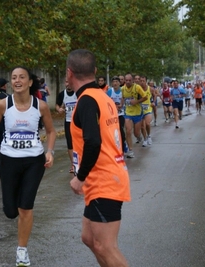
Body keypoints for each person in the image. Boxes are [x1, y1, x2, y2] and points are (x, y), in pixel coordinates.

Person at [0, 66, 56, 266]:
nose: (17, 81)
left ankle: (22, 251)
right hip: (9, 160)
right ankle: (14, 206)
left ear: (30, 82)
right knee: (10, 211)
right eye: (14, 78)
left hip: (34, 160)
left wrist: (49, 151)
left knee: (26, 207)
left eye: (21, 77)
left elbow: (51, 131)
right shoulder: (3, 105)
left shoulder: (40, 106)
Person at [66, 49, 130, 267]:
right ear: (94, 71)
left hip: (105, 180)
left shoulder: (86, 101)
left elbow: (93, 141)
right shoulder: (103, 96)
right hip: (104, 178)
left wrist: (80, 176)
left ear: (69, 74)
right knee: (89, 238)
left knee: (105, 246)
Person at [122, 73, 147, 158]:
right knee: (128, 131)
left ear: (132, 80)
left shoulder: (137, 87)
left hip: (137, 113)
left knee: (136, 133)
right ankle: (131, 150)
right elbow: (122, 99)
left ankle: (139, 137)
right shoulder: (123, 89)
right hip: (127, 113)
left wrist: (136, 101)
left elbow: (145, 97)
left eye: (130, 80)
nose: (128, 82)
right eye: (126, 80)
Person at [55, 79, 77, 172]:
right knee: (70, 143)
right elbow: (57, 105)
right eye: (66, 82)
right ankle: (73, 164)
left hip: (78, 122)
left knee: (79, 142)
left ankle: (81, 162)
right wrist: (59, 109)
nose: (68, 84)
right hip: (68, 121)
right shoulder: (62, 94)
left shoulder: (77, 92)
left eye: (69, 82)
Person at [106, 76, 126, 153]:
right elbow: (106, 102)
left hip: (121, 114)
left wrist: (121, 105)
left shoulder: (122, 90)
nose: (115, 83)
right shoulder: (109, 91)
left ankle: (123, 147)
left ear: (119, 83)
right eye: (113, 82)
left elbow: (124, 99)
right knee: (114, 132)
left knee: (120, 130)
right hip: (112, 115)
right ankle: (115, 148)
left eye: (116, 82)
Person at [139, 76, 153, 147]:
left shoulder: (150, 88)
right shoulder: (138, 89)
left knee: (147, 123)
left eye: (143, 81)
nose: (142, 82)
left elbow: (154, 95)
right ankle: (145, 139)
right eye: (140, 81)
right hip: (140, 110)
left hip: (148, 108)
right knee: (142, 126)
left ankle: (149, 136)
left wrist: (153, 101)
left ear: (146, 81)